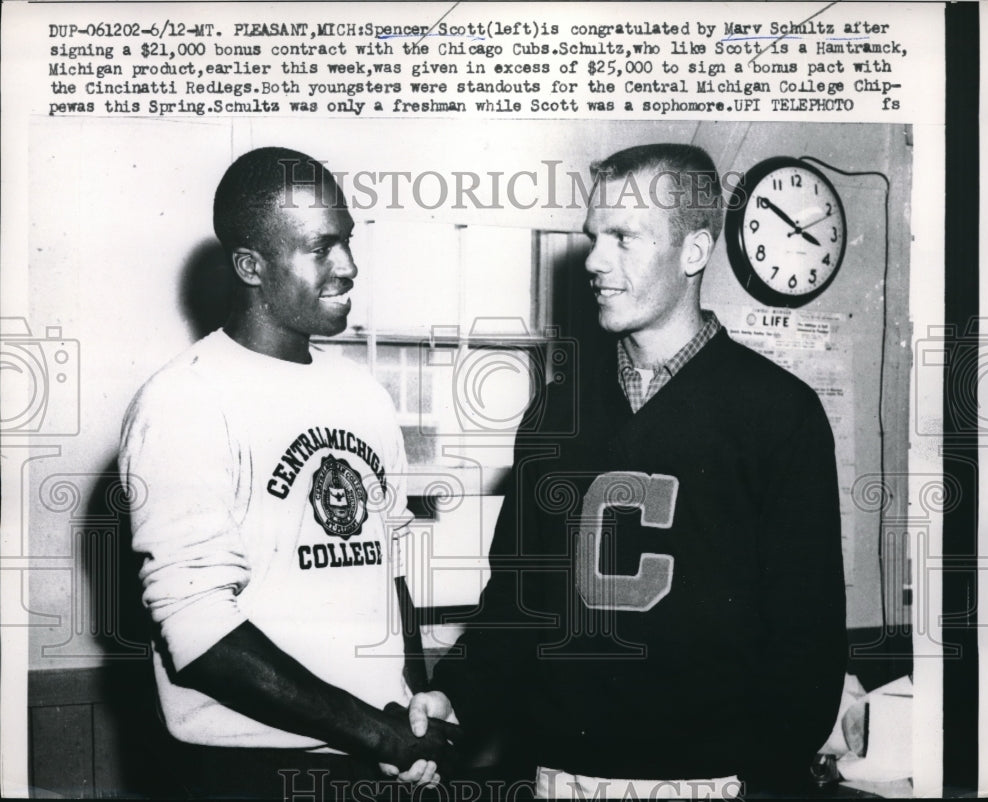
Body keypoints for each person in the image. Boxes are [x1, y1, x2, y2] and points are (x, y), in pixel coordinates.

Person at [407, 143, 847, 798]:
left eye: (624, 239)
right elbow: (516, 605)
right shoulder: (558, 411)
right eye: (593, 237)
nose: (594, 261)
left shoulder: (778, 414)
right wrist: (453, 692)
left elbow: (807, 651)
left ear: (693, 253)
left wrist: (757, 773)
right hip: (561, 776)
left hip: (716, 783)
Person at [119, 147, 457, 798]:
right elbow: (199, 629)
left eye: (349, 242)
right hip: (256, 776)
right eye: (322, 247)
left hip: (377, 760)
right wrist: (380, 735)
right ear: (251, 265)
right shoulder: (186, 401)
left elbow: (390, 572)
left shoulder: (364, 395)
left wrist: (415, 704)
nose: (349, 266)